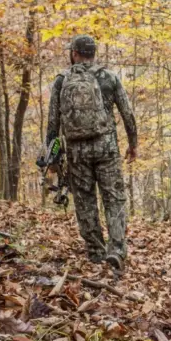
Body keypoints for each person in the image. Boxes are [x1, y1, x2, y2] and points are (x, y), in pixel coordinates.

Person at [45, 35, 138, 271]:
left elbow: (52, 123)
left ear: (75, 53)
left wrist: (52, 158)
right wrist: (132, 143)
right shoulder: (109, 77)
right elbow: (127, 113)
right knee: (114, 199)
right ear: (94, 53)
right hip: (106, 148)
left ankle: (96, 252)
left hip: (77, 152)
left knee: (85, 202)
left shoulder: (62, 81)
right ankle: (116, 250)